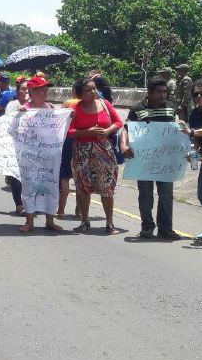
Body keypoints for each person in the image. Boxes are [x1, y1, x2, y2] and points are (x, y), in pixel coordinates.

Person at [120, 77, 183, 240]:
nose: (163, 95)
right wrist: (123, 145)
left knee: (166, 195)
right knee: (146, 194)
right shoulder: (137, 109)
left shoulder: (170, 108)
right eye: (159, 92)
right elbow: (126, 129)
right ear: (149, 93)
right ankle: (147, 227)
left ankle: (165, 229)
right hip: (144, 159)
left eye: (165, 92)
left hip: (166, 159)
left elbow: (174, 130)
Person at [67, 78, 123, 234]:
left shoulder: (105, 104)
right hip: (82, 151)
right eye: (88, 90)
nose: (93, 92)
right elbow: (69, 132)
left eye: (94, 89)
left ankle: (110, 223)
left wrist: (107, 131)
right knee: (83, 187)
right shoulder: (75, 109)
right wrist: (87, 132)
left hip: (104, 150)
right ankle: (85, 221)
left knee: (106, 187)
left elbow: (118, 122)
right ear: (80, 94)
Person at [17, 76, 64, 232]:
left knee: (51, 186)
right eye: (39, 90)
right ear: (31, 91)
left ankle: (50, 219)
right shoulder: (24, 110)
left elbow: (59, 131)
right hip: (30, 158)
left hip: (50, 157)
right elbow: (16, 131)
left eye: (45, 89)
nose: (43, 92)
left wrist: (67, 117)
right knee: (29, 188)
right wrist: (20, 114)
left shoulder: (52, 110)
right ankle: (29, 222)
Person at [3, 80, 30, 216]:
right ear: (17, 91)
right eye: (23, 89)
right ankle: (19, 204)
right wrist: (19, 113)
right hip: (15, 145)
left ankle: (31, 203)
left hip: (32, 146)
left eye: (28, 89)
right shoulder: (12, 105)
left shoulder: (35, 105)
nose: (26, 91)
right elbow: (8, 122)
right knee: (16, 176)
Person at [57, 82, 82, 219]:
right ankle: (79, 211)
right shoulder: (85, 104)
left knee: (64, 176)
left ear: (73, 90)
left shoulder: (68, 103)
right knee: (79, 177)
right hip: (81, 139)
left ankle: (61, 210)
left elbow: (58, 120)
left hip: (67, 139)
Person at [187, 79, 202, 206]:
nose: (199, 96)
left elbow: (196, 132)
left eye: (201, 93)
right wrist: (193, 151)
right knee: (201, 194)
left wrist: (190, 132)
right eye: (196, 94)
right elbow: (197, 137)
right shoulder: (195, 114)